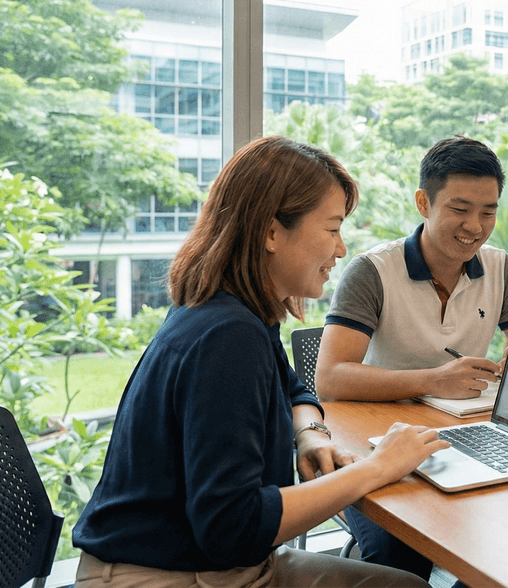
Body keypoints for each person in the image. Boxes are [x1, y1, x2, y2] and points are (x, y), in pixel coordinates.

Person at [72, 136, 449, 587]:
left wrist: (310, 435)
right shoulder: (228, 338)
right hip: (167, 574)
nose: (341, 249)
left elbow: (293, 388)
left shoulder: (231, 310)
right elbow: (234, 528)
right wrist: (377, 468)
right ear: (271, 232)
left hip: (198, 560)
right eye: (331, 229)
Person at [316, 135, 508, 574]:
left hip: (464, 438)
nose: (475, 225)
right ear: (423, 202)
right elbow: (331, 378)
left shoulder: (500, 267)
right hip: (373, 447)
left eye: (488, 211)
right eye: (459, 209)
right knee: (400, 558)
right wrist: (433, 379)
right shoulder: (373, 271)